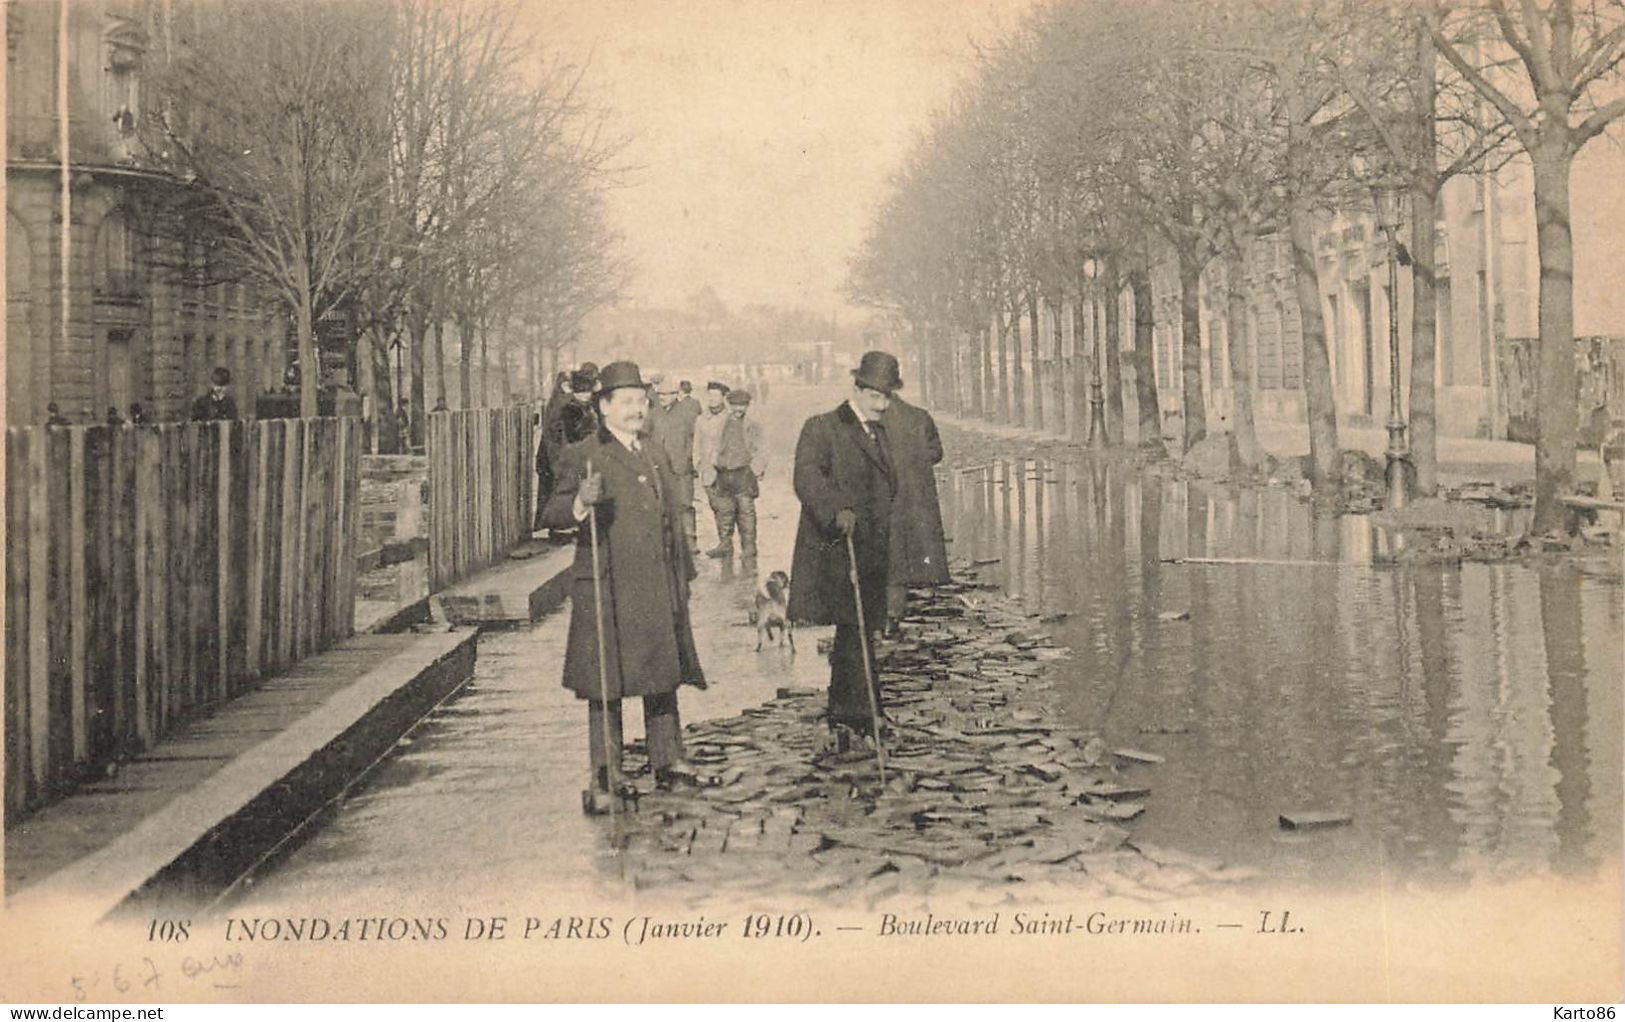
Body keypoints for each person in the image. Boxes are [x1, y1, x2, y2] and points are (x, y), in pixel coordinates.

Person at [540, 360, 713, 814]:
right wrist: (580, 501)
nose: (637, 409)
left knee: (662, 670)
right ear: (604, 406)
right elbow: (552, 515)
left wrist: (684, 575)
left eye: (642, 400)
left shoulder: (653, 452)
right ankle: (607, 774)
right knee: (606, 679)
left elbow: (671, 519)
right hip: (608, 582)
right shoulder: (585, 454)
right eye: (627, 402)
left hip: (657, 580)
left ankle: (668, 759)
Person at [789, 351, 902, 739]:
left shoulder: (879, 432)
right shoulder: (822, 427)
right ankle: (865, 712)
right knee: (853, 626)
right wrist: (836, 510)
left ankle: (847, 710)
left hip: (871, 547)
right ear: (856, 390)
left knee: (860, 629)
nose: (882, 405)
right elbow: (805, 477)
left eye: (887, 398)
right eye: (876, 397)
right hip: (835, 546)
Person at [879, 391, 949, 637]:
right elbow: (936, 453)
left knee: (885, 561)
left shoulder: (872, 420)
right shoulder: (920, 417)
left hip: (883, 502)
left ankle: (882, 619)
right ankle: (893, 618)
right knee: (904, 560)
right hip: (915, 503)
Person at [704, 389, 766, 560]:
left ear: (747, 406)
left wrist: (755, 470)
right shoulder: (721, 423)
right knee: (724, 512)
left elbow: (761, 450)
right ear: (729, 405)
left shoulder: (753, 426)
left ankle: (749, 547)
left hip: (743, 474)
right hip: (723, 474)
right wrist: (714, 461)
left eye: (742, 406)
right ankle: (725, 545)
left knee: (746, 513)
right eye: (735, 405)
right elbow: (713, 445)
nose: (739, 409)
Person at [648, 374, 702, 553]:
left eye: (665, 394)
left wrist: (688, 460)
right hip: (659, 468)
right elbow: (645, 438)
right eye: (660, 394)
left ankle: (690, 541)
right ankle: (665, 542)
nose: (661, 397)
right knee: (661, 505)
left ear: (675, 394)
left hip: (681, 467)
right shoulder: (653, 413)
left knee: (685, 504)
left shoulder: (687, 413)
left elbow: (694, 438)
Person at [692, 380, 729, 547]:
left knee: (727, 508)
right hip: (708, 471)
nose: (712, 399)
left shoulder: (730, 418)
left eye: (716, 395)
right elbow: (697, 443)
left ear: (723, 397)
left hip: (726, 470)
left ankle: (727, 543)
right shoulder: (701, 419)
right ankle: (724, 542)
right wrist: (697, 463)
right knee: (715, 506)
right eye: (710, 395)